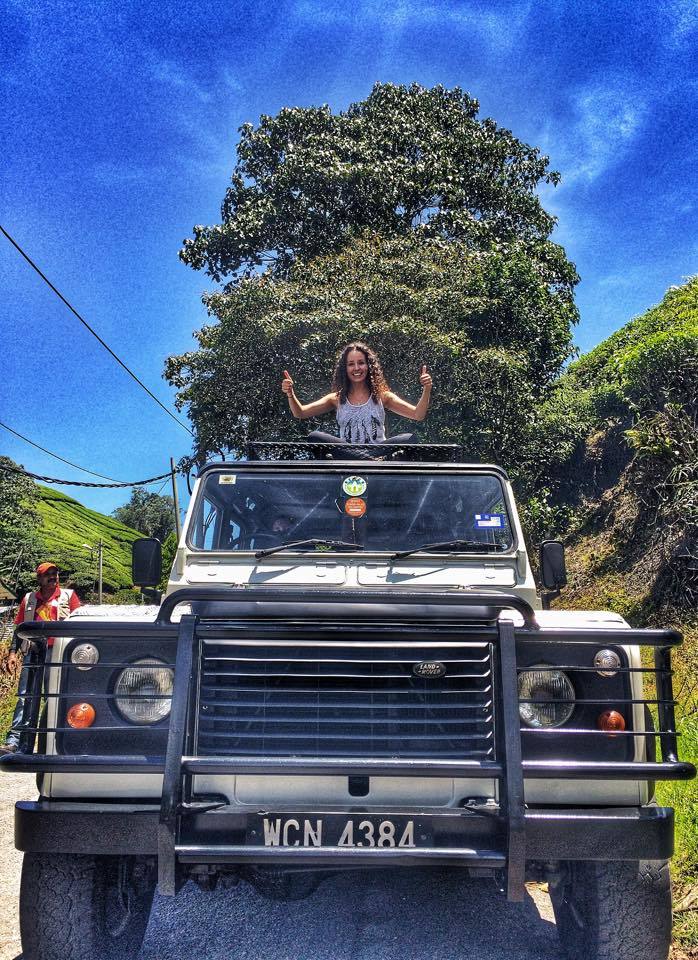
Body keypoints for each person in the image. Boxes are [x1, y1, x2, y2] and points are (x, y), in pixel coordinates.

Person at [281, 342, 432, 453]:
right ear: (345, 369)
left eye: (361, 363)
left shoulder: (382, 396)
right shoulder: (336, 398)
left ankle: (369, 460)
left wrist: (426, 388)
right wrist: (290, 393)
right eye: (351, 364)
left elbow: (418, 414)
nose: (357, 368)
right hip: (347, 456)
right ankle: (364, 460)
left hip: (378, 453)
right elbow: (300, 413)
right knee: (315, 437)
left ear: (369, 366)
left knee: (409, 439)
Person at [1, 562, 80, 754]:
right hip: (33, 652)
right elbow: (19, 628)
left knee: (55, 697)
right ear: (39, 579)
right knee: (25, 697)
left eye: (55, 573)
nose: (53, 577)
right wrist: (13, 653)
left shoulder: (69, 596)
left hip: (59, 653)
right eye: (48, 574)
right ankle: (17, 742)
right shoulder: (29, 599)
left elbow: (80, 623)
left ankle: (52, 742)